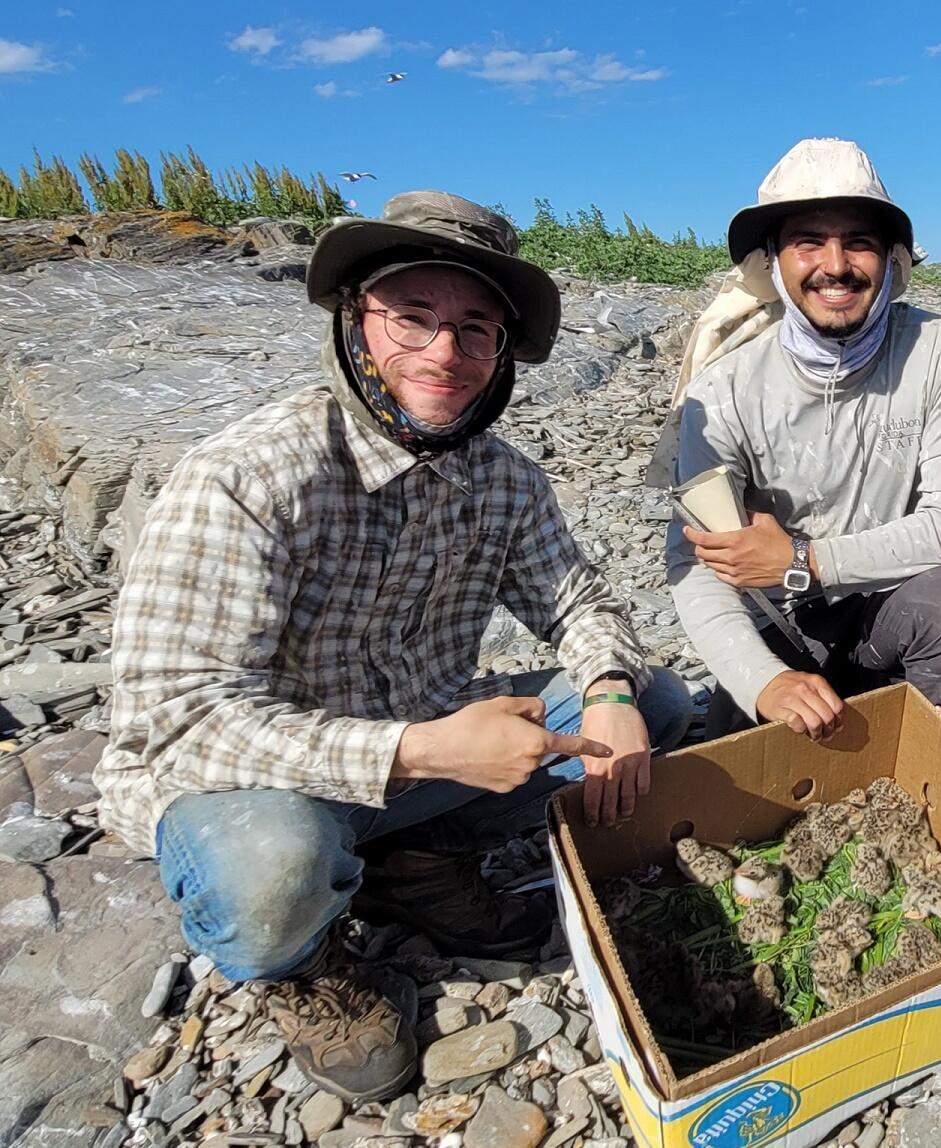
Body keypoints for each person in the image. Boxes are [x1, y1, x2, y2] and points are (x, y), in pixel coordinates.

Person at [95, 192, 692, 1101]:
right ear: (353, 321)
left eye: (474, 329)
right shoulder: (248, 476)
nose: (444, 354)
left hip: (418, 765)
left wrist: (607, 681)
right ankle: (305, 964)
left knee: (654, 708)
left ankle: (415, 864)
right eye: (411, 318)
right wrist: (424, 748)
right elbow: (177, 720)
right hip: (267, 788)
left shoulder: (502, 479)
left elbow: (577, 599)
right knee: (272, 874)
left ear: (501, 353)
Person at [666, 138, 941, 740]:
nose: (837, 264)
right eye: (809, 241)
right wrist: (761, 679)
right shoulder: (722, 390)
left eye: (860, 242)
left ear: (890, 260)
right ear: (772, 260)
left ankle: (924, 764)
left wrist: (805, 562)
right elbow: (694, 560)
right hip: (780, 622)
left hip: (890, 604)